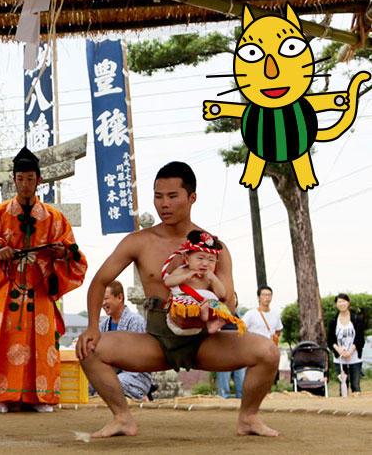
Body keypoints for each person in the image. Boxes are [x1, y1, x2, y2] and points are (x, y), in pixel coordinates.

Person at [77, 161, 280, 438]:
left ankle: (248, 418)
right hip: (157, 340)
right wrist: (91, 327)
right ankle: (122, 418)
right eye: (158, 196)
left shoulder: (214, 247)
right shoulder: (139, 241)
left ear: (192, 197)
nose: (164, 204)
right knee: (89, 348)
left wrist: (210, 290)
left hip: (205, 340)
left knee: (268, 352)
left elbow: (229, 302)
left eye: (172, 196)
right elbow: (99, 281)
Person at [0, 146, 87, 414]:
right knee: (1, 341)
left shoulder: (55, 218)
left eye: (30, 179)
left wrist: (61, 252)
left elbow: (74, 254)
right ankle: (1, 396)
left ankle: (40, 396)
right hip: (6, 288)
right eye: (20, 179)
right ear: (14, 180)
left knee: (41, 343)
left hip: (39, 287)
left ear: (39, 181)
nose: (25, 184)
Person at [162, 230, 244, 335]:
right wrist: (185, 277)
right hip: (181, 315)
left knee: (217, 305)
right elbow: (168, 282)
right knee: (182, 306)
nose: (205, 263)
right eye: (200, 258)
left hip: (201, 322)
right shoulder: (183, 271)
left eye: (211, 260)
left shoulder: (209, 277)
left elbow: (222, 295)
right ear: (186, 259)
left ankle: (213, 322)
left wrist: (214, 279)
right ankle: (202, 313)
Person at [99, 281, 153, 401]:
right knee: (91, 383)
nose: (103, 303)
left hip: (135, 375)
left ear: (119, 297)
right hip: (111, 373)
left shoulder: (136, 321)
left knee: (113, 384)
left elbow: (139, 359)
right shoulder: (103, 325)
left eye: (106, 299)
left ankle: (140, 396)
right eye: (101, 300)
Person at [327, 293, 366, 395]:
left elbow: (360, 338)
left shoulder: (357, 319)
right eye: (339, 301)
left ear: (348, 303)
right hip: (339, 358)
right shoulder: (333, 321)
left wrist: (349, 352)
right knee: (342, 385)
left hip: (354, 357)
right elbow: (330, 340)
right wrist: (339, 350)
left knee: (355, 385)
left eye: (344, 301)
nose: (342, 304)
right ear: (336, 304)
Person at [216, 293, 246, 399]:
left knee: (241, 379)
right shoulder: (219, 314)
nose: (233, 300)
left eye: (235, 298)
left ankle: (241, 401)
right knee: (224, 380)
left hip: (239, 352)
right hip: (224, 352)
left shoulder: (239, 315)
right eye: (231, 298)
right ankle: (223, 400)